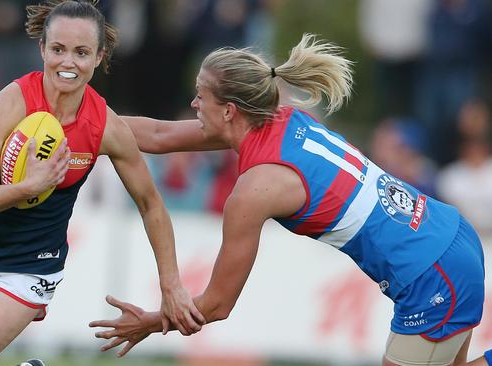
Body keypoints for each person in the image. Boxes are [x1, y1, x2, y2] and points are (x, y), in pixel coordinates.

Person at [89, 34, 492, 366]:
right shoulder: (274, 117)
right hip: (450, 234)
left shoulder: (255, 191)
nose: (193, 104)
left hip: (430, 274)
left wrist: (149, 323)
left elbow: (216, 305)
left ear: (229, 111)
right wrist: (80, 120)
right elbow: (159, 136)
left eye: (199, 97)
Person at [0, 1, 204, 365]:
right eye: (58, 49)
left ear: (98, 57)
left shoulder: (105, 127)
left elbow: (150, 203)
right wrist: (28, 186)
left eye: (81, 52)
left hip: (27, 266)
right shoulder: (12, 102)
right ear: (42, 49)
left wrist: (171, 284)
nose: (68, 62)